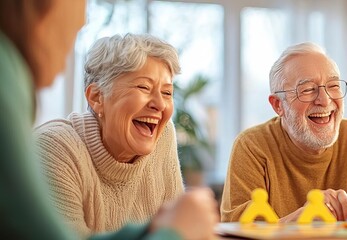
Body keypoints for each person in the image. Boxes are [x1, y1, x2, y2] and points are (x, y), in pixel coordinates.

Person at [0, 1, 217, 239]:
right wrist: (174, 232)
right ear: (96, 98)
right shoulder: (56, 148)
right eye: (143, 87)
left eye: (167, 93)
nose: (159, 104)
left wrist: (172, 226)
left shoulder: (163, 136)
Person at [221, 42, 347, 222]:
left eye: (333, 86)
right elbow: (237, 230)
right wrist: (300, 221)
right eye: (307, 90)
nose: (324, 100)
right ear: (278, 105)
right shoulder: (252, 146)